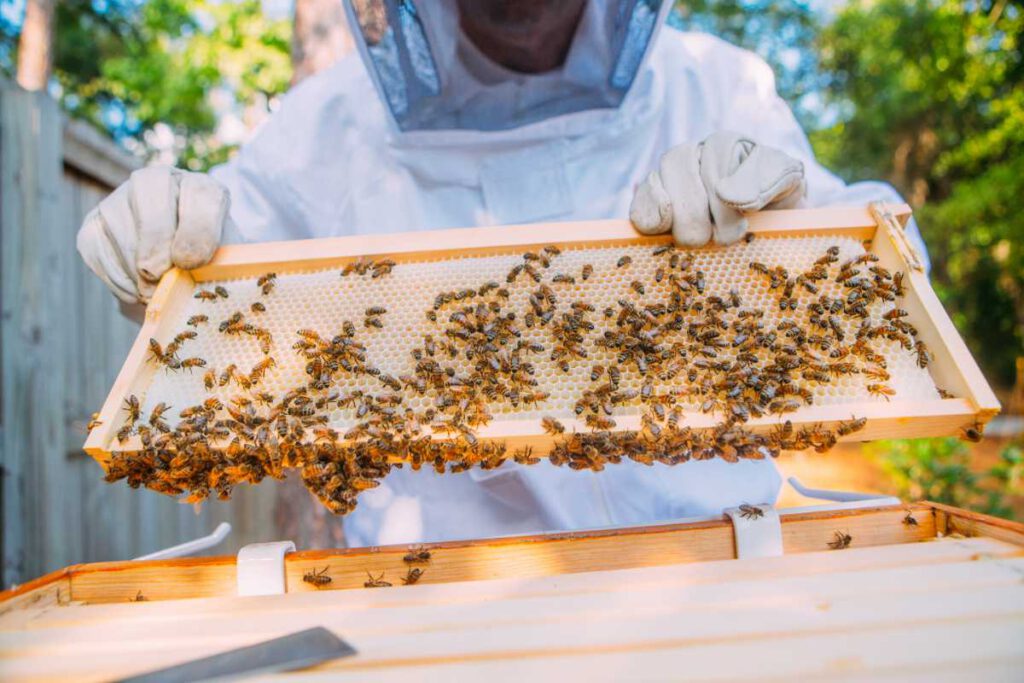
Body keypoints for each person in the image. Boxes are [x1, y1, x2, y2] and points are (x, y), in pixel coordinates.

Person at [77, 0, 926, 547]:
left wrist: (804, 214)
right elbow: (215, 272)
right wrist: (159, 236)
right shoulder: (319, 133)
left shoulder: (719, 86)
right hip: (440, 612)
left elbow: (887, 277)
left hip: (734, 569)